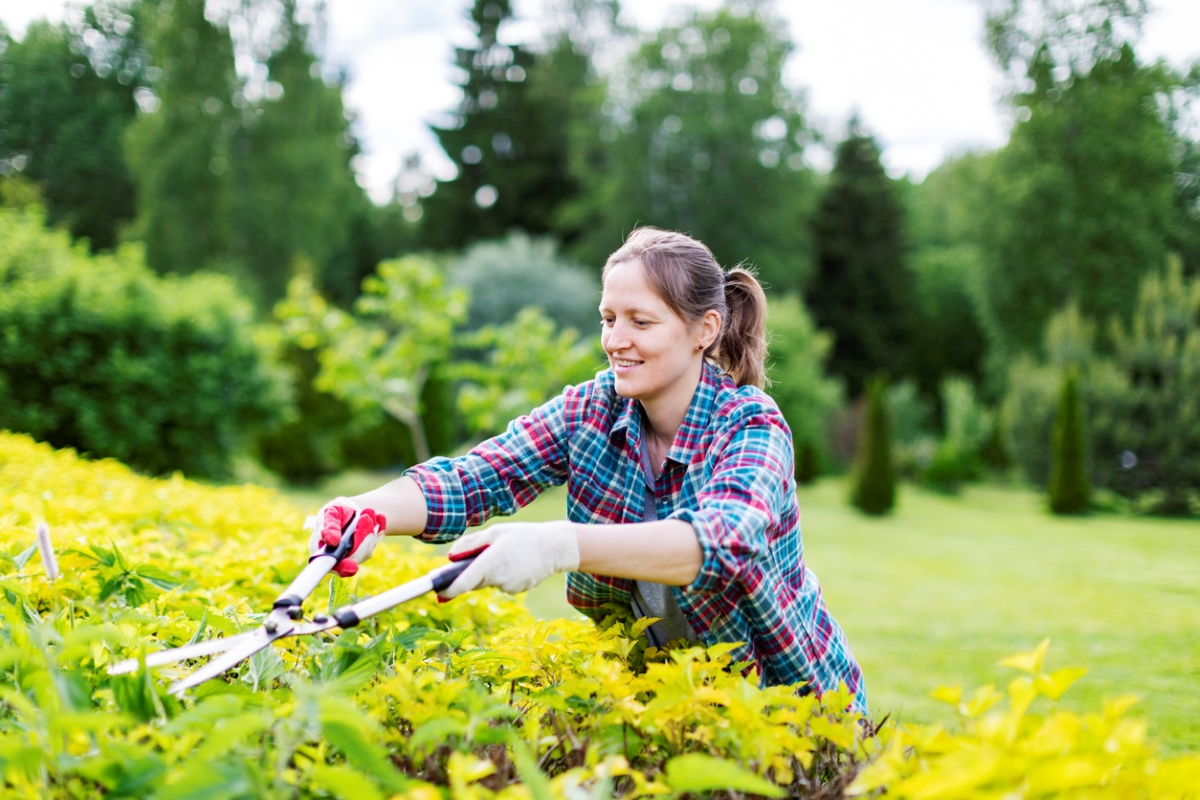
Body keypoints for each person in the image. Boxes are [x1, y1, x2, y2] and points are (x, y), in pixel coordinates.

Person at [307, 227, 867, 711]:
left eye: (641, 322)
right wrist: (366, 510)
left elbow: (719, 544)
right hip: (663, 703)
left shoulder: (750, 425)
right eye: (608, 318)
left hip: (791, 707)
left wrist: (559, 545)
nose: (615, 341)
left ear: (705, 330)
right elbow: (478, 477)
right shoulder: (594, 408)